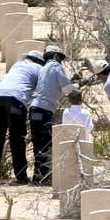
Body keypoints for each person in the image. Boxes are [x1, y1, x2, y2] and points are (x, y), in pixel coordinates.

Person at [0, 52, 42, 185]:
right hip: (16, 101)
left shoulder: (17, 65)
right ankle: (21, 177)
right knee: (17, 139)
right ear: (39, 61)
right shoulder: (40, 69)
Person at [26, 47, 71, 186]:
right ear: (56, 56)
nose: (62, 61)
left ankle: (38, 177)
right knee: (46, 143)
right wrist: (77, 85)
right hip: (45, 110)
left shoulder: (44, 68)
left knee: (38, 143)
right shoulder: (56, 66)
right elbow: (67, 90)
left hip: (35, 109)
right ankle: (44, 177)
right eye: (61, 58)